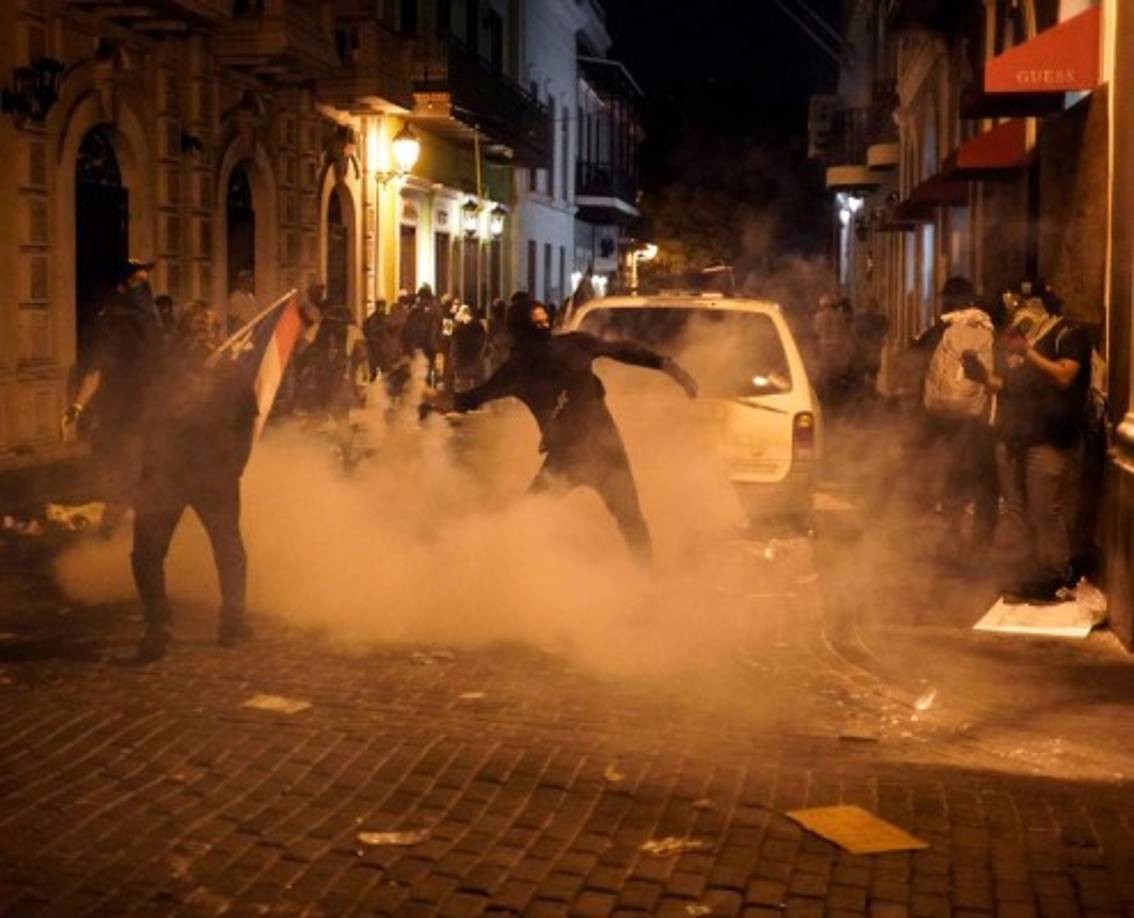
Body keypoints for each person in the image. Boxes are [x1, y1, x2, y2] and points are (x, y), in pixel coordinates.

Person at [430, 293, 698, 563]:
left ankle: (643, 580)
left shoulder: (533, 361)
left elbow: (469, 399)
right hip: (575, 455)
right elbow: (469, 399)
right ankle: (510, 575)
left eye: (544, 321)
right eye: (538, 323)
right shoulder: (532, 362)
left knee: (619, 518)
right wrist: (667, 366)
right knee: (539, 516)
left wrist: (666, 365)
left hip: (595, 451)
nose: (544, 328)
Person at [132, 301, 258, 662]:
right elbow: (246, 423)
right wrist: (236, 465)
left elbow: (147, 420)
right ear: (215, 332)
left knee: (147, 553)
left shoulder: (163, 369)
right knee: (227, 546)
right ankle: (231, 623)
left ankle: (158, 625)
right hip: (212, 472)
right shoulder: (229, 372)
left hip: (167, 473)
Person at [962, 281, 1092, 600]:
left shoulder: (1069, 335)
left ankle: (1056, 575)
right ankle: (1020, 569)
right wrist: (980, 375)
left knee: (1044, 508)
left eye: (1026, 304)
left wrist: (1027, 351)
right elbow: (1007, 386)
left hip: (1049, 437)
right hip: (1014, 436)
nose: (1020, 312)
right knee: (1016, 510)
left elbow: (1064, 376)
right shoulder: (1022, 342)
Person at [62, 258, 165, 534]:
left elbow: (165, 365)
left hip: (152, 413)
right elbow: (96, 369)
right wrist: (78, 405)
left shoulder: (152, 321)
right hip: (125, 416)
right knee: (127, 480)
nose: (143, 286)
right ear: (122, 287)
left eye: (146, 281)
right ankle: (109, 539)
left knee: (153, 480)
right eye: (137, 281)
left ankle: (136, 537)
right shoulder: (110, 323)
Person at [918, 277, 998, 555]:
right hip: (978, 420)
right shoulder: (990, 330)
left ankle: (951, 537)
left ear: (950, 301)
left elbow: (920, 362)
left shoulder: (940, 331)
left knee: (953, 476)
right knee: (983, 480)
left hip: (944, 420)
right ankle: (982, 543)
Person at [296, 300, 370, 465]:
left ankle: (302, 454)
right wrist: (363, 378)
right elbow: (363, 355)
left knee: (317, 417)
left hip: (320, 381)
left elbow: (300, 348)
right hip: (342, 382)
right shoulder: (353, 330)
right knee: (343, 419)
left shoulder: (319, 328)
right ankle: (347, 456)